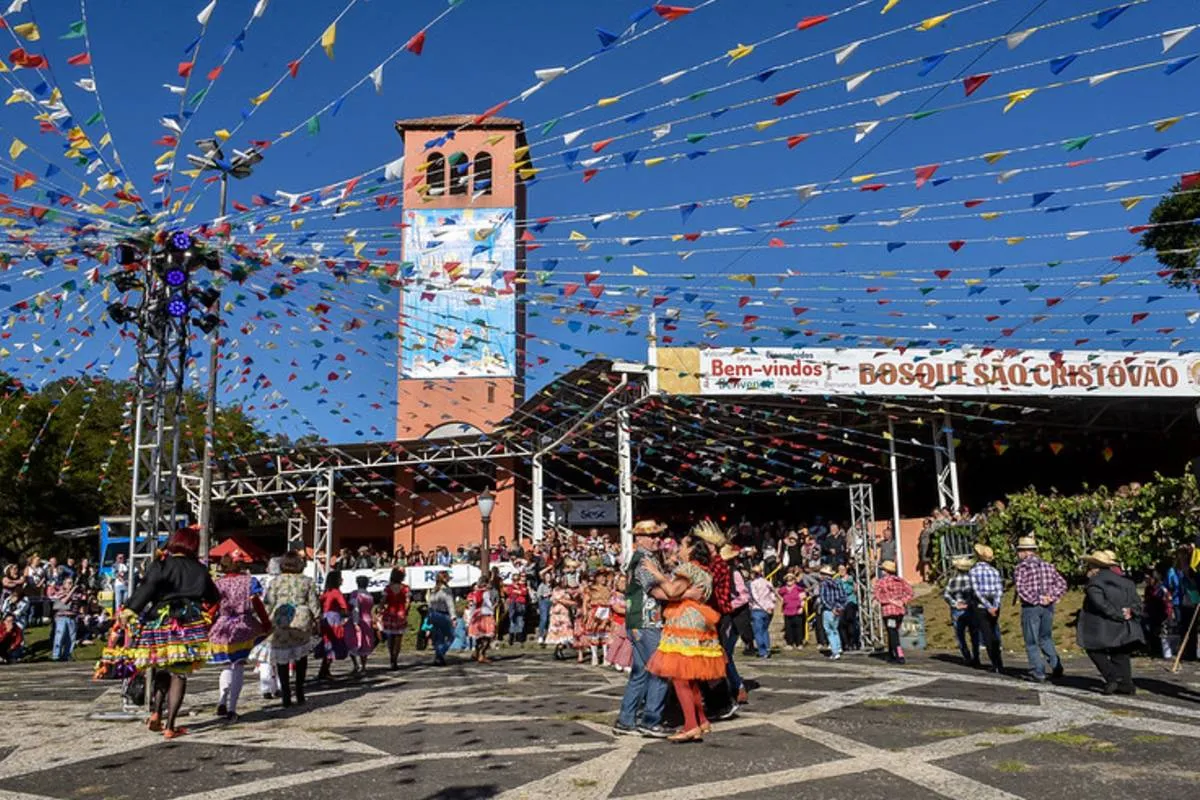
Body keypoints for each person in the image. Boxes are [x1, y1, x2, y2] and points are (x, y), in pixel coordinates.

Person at [121, 527, 220, 739]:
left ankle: (156, 713)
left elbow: (146, 589)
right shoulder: (200, 569)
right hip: (188, 623)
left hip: (160, 621)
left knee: (162, 668)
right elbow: (213, 596)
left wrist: (130, 610)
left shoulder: (162, 564)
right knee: (179, 673)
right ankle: (170, 725)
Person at [644, 533, 727, 743]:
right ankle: (701, 720)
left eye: (682, 545)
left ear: (690, 549)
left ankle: (691, 726)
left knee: (680, 676)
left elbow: (672, 591)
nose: (678, 549)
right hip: (700, 621)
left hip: (685, 622)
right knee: (690, 677)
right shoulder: (705, 571)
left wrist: (657, 574)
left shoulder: (689, 569)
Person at [614, 520, 674, 739]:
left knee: (640, 673)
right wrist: (678, 593)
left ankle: (626, 719)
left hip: (637, 620)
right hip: (647, 621)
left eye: (658, 535)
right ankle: (651, 720)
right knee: (660, 670)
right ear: (639, 538)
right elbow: (657, 591)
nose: (656, 539)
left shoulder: (642, 558)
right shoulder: (644, 561)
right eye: (651, 536)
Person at [208, 556, 270, 722]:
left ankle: (222, 700)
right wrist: (265, 623)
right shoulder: (249, 581)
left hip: (223, 625)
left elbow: (212, 607)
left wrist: (207, 624)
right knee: (239, 665)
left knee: (227, 665)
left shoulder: (218, 584)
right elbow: (257, 604)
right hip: (244, 625)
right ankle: (232, 708)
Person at [1078, 550, 1144, 695]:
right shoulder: (1126, 582)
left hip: (1102, 626)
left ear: (1093, 566)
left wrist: (1117, 614)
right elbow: (1138, 603)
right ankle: (1126, 683)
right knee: (1120, 653)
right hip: (1124, 625)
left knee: (1093, 649)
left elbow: (1101, 604)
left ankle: (1112, 677)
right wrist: (1130, 612)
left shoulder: (1095, 583)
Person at [263, 552, 320, 707]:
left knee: (282, 658)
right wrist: (317, 619)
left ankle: (286, 695)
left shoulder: (275, 582)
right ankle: (300, 692)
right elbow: (314, 603)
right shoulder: (307, 581)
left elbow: (268, 603)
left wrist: (264, 621)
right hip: (301, 618)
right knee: (301, 656)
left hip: (281, 618)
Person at [1013, 536, 1066, 682]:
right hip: (1048, 607)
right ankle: (1056, 666)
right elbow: (1062, 584)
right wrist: (1051, 597)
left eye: (1019, 551)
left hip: (1031, 607)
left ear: (1024, 552)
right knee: (1046, 637)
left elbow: (1021, 589)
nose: (1018, 554)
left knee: (1031, 641)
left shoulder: (1021, 568)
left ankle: (1038, 671)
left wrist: (1037, 599)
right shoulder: (1048, 566)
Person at [968, 544, 1005, 673]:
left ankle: (995, 663)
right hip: (994, 603)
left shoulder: (974, 571)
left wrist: (988, 606)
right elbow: (999, 589)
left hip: (981, 605)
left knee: (987, 634)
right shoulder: (994, 571)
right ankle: (999, 662)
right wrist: (995, 605)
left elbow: (976, 591)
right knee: (994, 631)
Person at [943, 556, 980, 667]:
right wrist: (970, 603)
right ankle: (976, 656)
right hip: (970, 609)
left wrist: (955, 603)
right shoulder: (972, 580)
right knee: (974, 634)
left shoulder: (952, 580)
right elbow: (976, 594)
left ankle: (966, 655)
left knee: (960, 635)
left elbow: (946, 595)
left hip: (957, 609)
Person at [874, 560, 914, 664]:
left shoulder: (881, 582)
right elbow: (910, 592)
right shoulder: (900, 580)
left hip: (889, 611)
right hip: (899, 611)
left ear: (885, 571)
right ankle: (891, 654)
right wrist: (902, 601)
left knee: (892, 632)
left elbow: (878, 596)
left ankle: (899, 655)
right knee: (893, 631)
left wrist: (889, 600)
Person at [1166, 546, 1198, 662]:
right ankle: (1188, 651)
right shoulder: (1176, 570)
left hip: (1192, 598)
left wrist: (1188, 575)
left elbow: (1194, 583)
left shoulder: (1192, 568)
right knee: (1184, 626)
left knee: (1191, 627)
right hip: (1182, 600)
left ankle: (1191, 652)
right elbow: (1171, 584)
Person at [316, 570, 349, 680]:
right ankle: (325, 671)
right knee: (333, 644)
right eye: (340, 578)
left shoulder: (326, 592)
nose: (342, 580)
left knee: (327, 644)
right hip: (334, 619)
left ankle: (324, 670)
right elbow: (344, 607)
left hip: (325, 618)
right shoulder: (336, 592)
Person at [344, 575, 377, 676]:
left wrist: (355, 622)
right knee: (365, 643)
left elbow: (355, 609)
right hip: (367, 620)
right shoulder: (369, 595)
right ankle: (363, 666)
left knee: (352, 642)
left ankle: (356, 665)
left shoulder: (355, 594)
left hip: (358, 619)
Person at [379, 568, 410, 670]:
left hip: (390, 614)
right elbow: (408, 602)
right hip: (400, 614)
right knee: (398, 639)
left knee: (390, 638)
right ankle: (395, 659)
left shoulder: (387, 589)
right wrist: (405, 612)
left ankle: (391, 658)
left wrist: (380, 609)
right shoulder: (405, 588)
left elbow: (383, 601)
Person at [581, 569, 613, 666]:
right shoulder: (591, 589)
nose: (603, 579)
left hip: (606, 612)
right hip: (595, 612)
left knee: (605, 634)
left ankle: (606, 656)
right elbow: (585, 602)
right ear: (596, 578)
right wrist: (585, 614)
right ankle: (594, 656)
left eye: (604, 576)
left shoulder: (608, 589)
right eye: (601, 577)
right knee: (594, 634)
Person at [51, 576, 85, 661]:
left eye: (72, 583)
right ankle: (56, 655)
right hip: (62, 617)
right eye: (69, 583)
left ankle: (66, 655)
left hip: (73, 617)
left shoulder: (76, 594)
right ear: (64, 584)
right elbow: (64, 601)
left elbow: (81, 602)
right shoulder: (60, 592)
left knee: (71, 638)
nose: (71, 585)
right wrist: (72, 590)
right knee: (60, 636)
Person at [817, 565, 847, 660]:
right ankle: (838, 647)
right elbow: (844, 596)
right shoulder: (838, 582)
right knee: (835, 629)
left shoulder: (823, 584)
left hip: (828, 610)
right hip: (838, 609)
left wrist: (831, 608)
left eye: (821, 574)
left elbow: (823, 599)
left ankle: (835, 652)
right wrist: (840, 607)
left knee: (829, 631)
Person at [748, 564, 777, 659]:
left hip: (758, 609)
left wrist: (764, 607)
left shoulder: (753, 584)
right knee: (765, 630)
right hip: (768, 609)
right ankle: (767, 649)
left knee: (758, 631)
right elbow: (773, 596)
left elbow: (755, 597)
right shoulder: (767, 582)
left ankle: (762, 651)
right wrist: (771, 606)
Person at [467, 577, 498, 663]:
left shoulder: (475, 593)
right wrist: (492, 610)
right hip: (485, 614)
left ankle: (476, 653)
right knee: (488, 637)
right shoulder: (485, 593)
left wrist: (471, 616)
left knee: (479, 637)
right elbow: (488, 603)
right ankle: (482, 654)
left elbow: (472, 605)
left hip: (477, 615)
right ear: (486, 584)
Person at [606, 573, 633, 672]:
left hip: (628, 621)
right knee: (617, 642)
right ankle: (614, 660)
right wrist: (632, 611)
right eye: (621, 581)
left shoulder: (629, 595)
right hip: (618, 621)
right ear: (616, 583)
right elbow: (617, 609)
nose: (623, 584)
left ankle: (624, 661)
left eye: (625, 581)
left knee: (627, 643)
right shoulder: (614, 595)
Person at [427, 570, 455, 666]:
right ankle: (440, 654)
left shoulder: (434, 590)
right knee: (451, 636)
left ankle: (438, 658)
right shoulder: (446, 590)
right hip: (443, 614)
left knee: (439, 638)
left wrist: (430, 615)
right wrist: (453, 617)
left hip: (434, 614)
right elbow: (450, 604)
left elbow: (429, 604)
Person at [546, 577, 577, 660]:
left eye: (566, 580)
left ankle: (558, 651)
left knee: (565, 633)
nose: (565, 582)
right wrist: (573, 603)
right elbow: (560, 600)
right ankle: (558, 650)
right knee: (560, 633)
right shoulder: (556, 590)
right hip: (557, 615)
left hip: (565, 614)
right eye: (563, 581)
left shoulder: (567, 591)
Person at [779, 572, 807, 650]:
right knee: (788, 628)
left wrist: (801, 607)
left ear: (794, 580)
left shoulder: (798, 589)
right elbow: (778, 594)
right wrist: (782, 601)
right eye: (787, 580)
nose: (789, 581)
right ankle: (789, 643)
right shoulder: (783, 589)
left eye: (791, 579)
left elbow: (803, 599)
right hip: (787, 611)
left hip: (797, 611)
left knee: (798, 628)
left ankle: (799, 643)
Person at [505, 573, 530, 646]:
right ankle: (512, 637)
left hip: (520, 604)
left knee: (520, 620)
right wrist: (518, 591)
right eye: (514, 580)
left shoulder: (522, 586)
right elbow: (509, 592)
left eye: (517, 579)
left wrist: (516, 591)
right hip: (512, 605)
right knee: (512, 620)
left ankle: (519, 638)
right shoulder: (510, 586)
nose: (516, 581)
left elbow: (524, 592)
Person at [535, 573, 554, 645]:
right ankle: (540, 636)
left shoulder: (552, 585)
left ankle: (549, 635)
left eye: (549, 576)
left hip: (551, 602)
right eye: (547, 577)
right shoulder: (542, 585)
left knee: (550, 619)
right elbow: (538, 595)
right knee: (544, 619)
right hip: (543, 602)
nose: (548, 578)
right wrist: (545, 595)